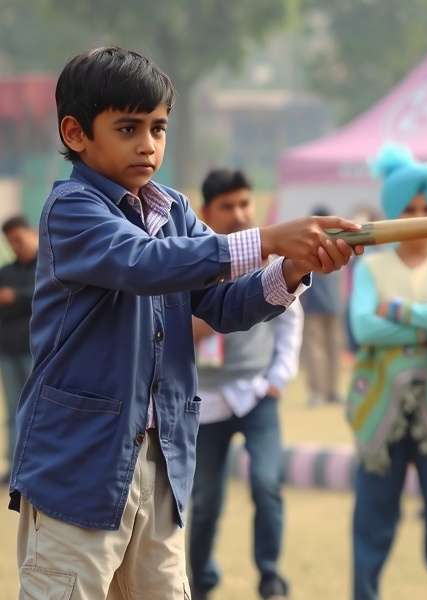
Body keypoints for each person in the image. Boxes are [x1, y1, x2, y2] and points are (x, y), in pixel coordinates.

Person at [11, 46, 360, 600]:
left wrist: (291, 269)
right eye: (128, 128)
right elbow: (144, 263)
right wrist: (269, 238)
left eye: (158, 127)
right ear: (76, 134)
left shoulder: (173, 209)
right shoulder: (71, 209)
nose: (148, 144)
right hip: (79, 465)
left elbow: (220, 304)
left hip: (162, 464)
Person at [348, 145, 427, 600]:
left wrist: (394, 310)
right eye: (409, 209)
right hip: (380, 410)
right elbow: (363, 327)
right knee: (372, 529)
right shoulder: (372, 264)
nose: (419, 218)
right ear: (394, 211)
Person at [188, 169, 303, 600]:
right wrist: (193, 326)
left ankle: (270, 575)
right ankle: (200, 579)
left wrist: (279, 376)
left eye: (244, 204)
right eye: (227, 207)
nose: (239, 215)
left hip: (257, 392)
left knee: (267, 484)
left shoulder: (269, 257)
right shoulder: (189, 262)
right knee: (205, 501)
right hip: (205, 399)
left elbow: (291, 318)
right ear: (206, 212)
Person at [0, 216, 37, 483]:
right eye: (10, 241)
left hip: (35, 352)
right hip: (9, 352)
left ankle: (35, 467)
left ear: (31, 234)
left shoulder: (47, 267)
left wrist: (17, 298)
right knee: (14, 412)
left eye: (18, 239)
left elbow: (44, 297)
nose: (15, 245)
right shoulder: (6, 273)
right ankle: (14, 469)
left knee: (36, 411)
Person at [300, 205, 345, 407]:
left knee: (323, 351)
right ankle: (326, 391)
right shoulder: (333, 240)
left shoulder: (310, 241)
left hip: (323, 305)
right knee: (327, 350)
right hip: (325, 304)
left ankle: (324, 392)